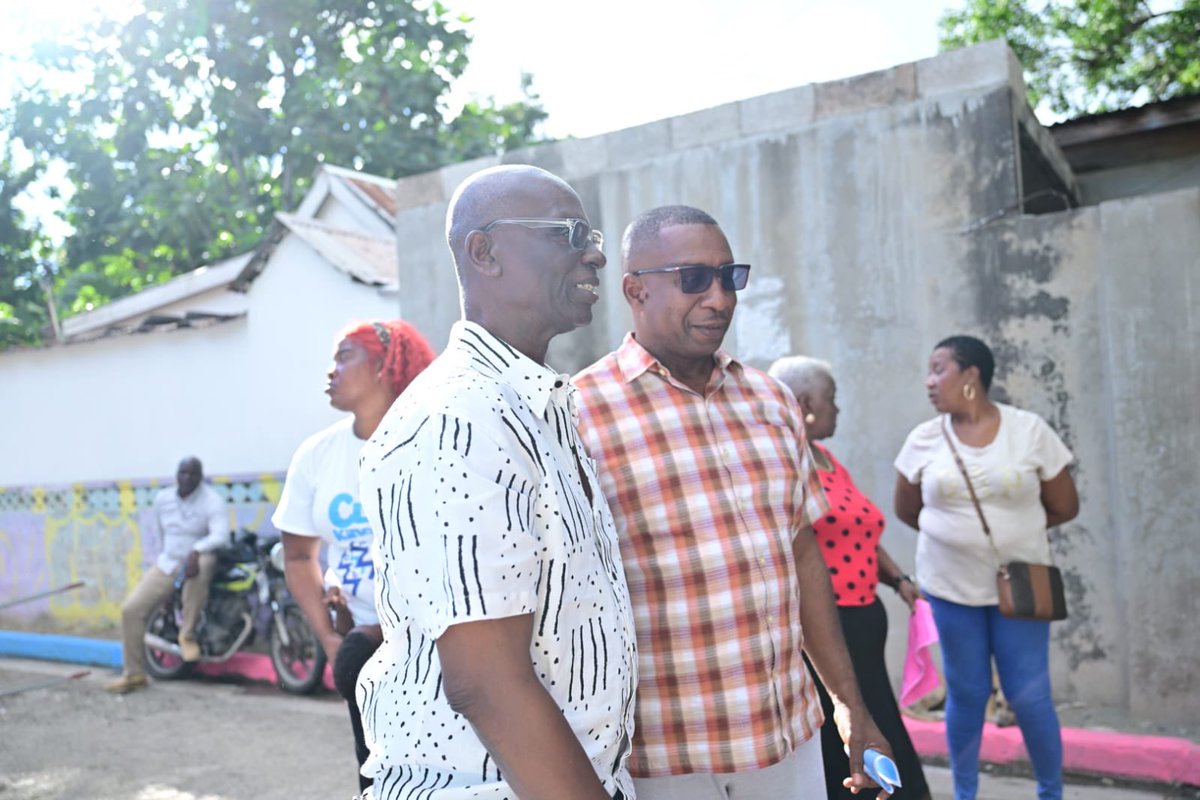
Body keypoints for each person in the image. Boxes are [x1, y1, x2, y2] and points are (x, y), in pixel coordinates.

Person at [574, 205, 891, 800]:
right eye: (694, 279)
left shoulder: (772, 402)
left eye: (729, 276)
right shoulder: (577, 415)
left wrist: (850, 706)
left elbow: (801, 555)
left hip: (787, 745)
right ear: (634, 289)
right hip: (662, 761)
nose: (720, 298)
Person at [355, 165, 637, 800]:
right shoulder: (460, 417)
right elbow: (484, 681)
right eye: (568, 233)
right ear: (484, 251)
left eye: (589, 232)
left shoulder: (533, 405)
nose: (593, 251)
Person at [893, 335, 1079, 800]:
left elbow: (1063, 505)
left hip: (1021, 588)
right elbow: (908, 510)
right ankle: (964, 794)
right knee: (968, 695)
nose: (929, 381)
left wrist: (1015, 534)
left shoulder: (1029, 430)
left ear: (971, 375)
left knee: (1029, 696)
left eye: (939, 370)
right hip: (950, 589)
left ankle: (1051, 793)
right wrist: (957, 540)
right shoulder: (923, 439)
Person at [271, 318, 434, 792]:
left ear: (386, 365)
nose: (330, 370)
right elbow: (299, 557)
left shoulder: (430, 442)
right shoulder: (317, 455)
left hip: (438, 647)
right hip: (360, 652)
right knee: (377, 777)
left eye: (345, 357)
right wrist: (329, 638)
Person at [769, 355, 931, 800]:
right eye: (831, 399)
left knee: (881, 726)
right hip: (826, 630)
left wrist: (898, 580)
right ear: (803, 403)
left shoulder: (828, 461)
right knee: (843, 742)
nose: (838, 409)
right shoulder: (783, 460)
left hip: (865, 626)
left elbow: (860, 532)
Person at [106, 456, 228, 693]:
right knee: (131, 610)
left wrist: (196, 550)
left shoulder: (212, 501)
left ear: (201, 477)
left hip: (198, 561)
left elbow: (221, 535)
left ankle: (188, 635)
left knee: (202, 564)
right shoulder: (163, 499)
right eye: (183, 473)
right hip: (168, 563)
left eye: (193, 474)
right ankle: (134, 674)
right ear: (176, 475)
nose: (187, 478)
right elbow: (163, 536)